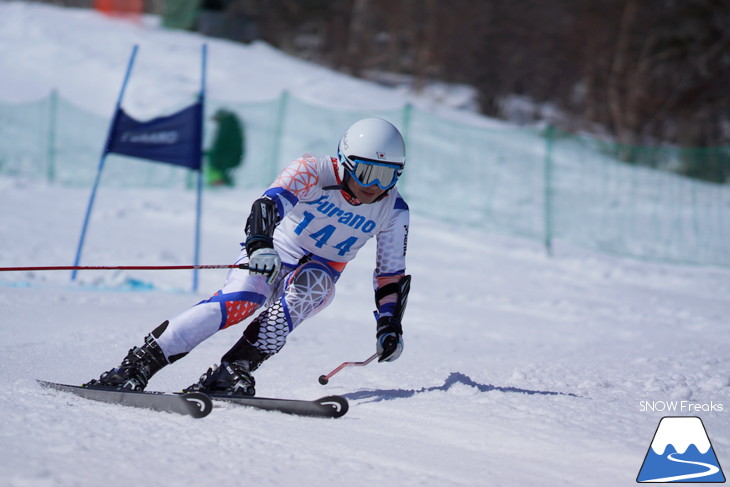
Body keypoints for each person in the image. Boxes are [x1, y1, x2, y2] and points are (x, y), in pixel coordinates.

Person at [85, 118, 411, 396]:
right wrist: (260, 245)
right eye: (367, 173)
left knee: (315, 288)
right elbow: (268, 205)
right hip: (272, 252)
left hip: (318, 271)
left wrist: (389, 324)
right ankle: (137, 365)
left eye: (387, 176)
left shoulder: (394, 211)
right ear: (345, 161)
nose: (374, 187)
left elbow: (390, 275)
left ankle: (233, 370)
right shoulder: (313, 170)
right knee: (242, 300)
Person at [206, 109, 245, 187]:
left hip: (227, 154)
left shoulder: (226, 125)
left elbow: (222, 141)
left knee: (216, 167)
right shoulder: (232, 124)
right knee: (219, 167)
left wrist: (215, 151)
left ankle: (219, 182)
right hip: (232, 154)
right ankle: (220, 182)